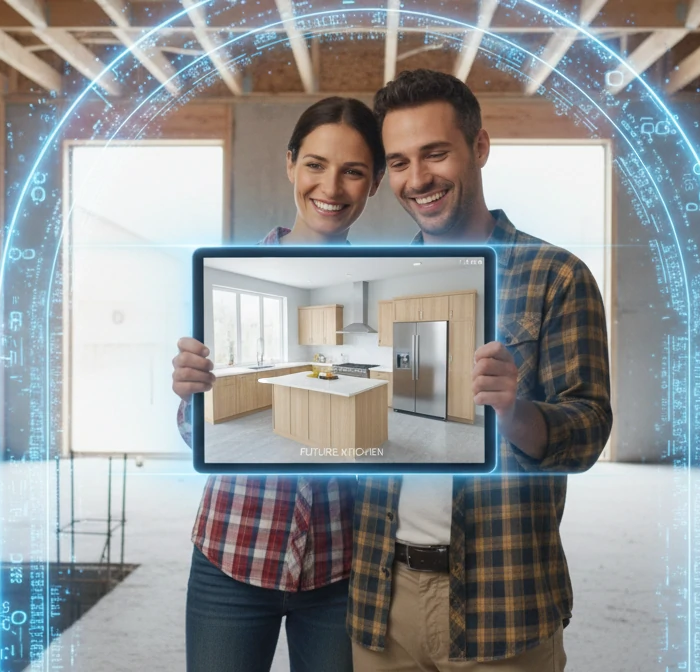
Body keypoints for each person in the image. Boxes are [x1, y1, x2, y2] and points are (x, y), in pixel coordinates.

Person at [346, 69, 613, 671]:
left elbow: (591, 429)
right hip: (382, 606)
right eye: (400, 162)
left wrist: (516, 414)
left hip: (504, 603)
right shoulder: (371, 285)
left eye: (436, 154)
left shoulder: (556, 276)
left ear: (480, 147)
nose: (419, 180)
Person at [169, 96, 386, 672]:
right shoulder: (220, 276)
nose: (331, 187)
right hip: (232, 556)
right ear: (291, 163)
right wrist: (191, 396)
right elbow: (199, 435)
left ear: (376, 183)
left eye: (353, 171)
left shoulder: (375, 284)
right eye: (315, 164)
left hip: (343, 567)